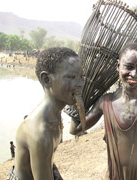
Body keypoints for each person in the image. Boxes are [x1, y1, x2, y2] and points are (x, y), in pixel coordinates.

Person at [70, 43, 137, 180]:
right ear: (118, 66)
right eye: (128, 67)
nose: (134, 74)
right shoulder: (105, 102)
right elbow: (76, 130)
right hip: (115, 176)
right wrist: (77, 105)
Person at [12, 47, 85, 180]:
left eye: (81, 77)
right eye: (72, 77)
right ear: (47, 79)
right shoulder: (41, 132)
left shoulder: (55, 116)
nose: (80, 83)